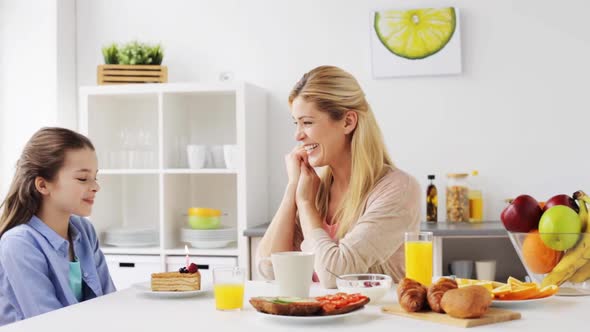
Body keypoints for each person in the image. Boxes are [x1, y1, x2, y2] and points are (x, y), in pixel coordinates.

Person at [257, 66, 421, 288]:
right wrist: (292, 191)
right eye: (296, 123)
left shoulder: (398, 189)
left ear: (348, 122)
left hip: (375, 320)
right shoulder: (315, 189)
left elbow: (336, 274)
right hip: (319, 318)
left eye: (307, 122)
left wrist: (305, 205)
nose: (298, 135)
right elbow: (269, 269)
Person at [0, 127, 115, 325]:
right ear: (43, 185)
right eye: (82, 178)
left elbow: (110, 302)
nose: (96, 186)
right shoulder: (19, 244)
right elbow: (48, 325)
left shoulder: (84, 231)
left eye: (95, 177)